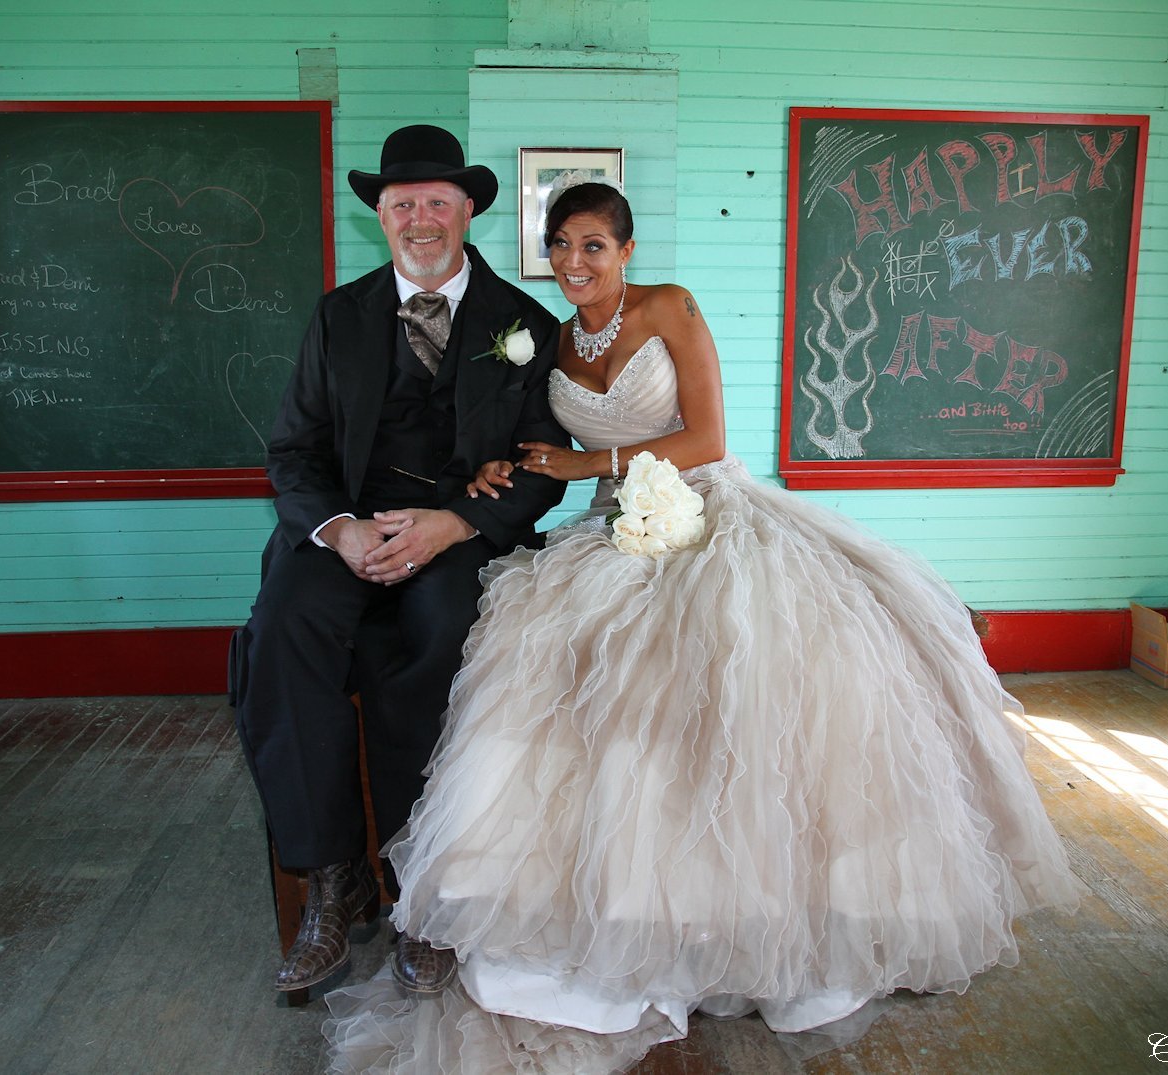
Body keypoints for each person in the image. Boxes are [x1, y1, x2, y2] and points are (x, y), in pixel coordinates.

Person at [322, 182, 1082, 1072]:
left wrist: (589, 459)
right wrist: (504, 461)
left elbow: (710, 438)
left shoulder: (671, 308)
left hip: (710, 512)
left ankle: (749, 915)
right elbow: (534, 436)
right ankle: (596, 905)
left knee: (729, 664)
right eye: (562, 245)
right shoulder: (548, 339)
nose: (576, 262)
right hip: (613, 526)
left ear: (628, 249)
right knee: (550, 662)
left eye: (595, 245)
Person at [230, 125, 566, 996]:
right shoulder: (338, 315)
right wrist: (338, 529)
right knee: (282, 629)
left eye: (437, 203)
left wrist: (452, 524)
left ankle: (425, 890)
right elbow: (292, 451)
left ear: (467, 212)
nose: (421, 218)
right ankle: (334, 879)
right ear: (381, 217)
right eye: (402, 204)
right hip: (346, 528)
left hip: (455, 533)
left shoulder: (523, 325)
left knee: (440, 637)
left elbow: (541, 461)